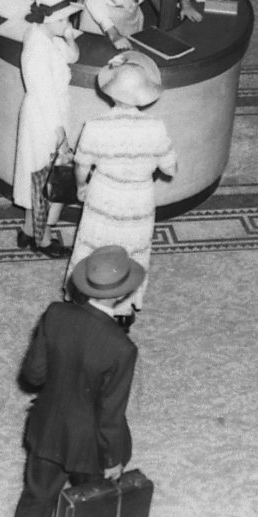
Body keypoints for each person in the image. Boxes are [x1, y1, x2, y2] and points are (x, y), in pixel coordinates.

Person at [13, 245, 144, 517]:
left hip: (47, 429)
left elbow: (33, 374)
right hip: (91, 446)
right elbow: (111, 414)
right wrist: (113, 459)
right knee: (95, 507)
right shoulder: (122, 348)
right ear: (122, 293)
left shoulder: (55, 313)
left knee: (36, 498)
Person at [63, 51, 176, 318]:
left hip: (103, 193)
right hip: (139, 198)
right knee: (133, 248)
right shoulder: (156, 127)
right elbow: (170, 169)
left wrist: (81, 187)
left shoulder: (95, 126)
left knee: (93, 245)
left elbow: (81, 166)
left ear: (111, 92)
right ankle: (125, 307)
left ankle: (84, 298)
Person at [14, 0, 82, 257]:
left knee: (35, 175)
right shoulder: (38, 50)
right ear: (51, 19)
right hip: (44, 119)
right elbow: (45, 99)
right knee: (46, 178)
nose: (69, 25)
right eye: (65, 20)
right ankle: (42, 240)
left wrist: (67, 37)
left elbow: (72, 57)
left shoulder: (43, 33)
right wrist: (62, 139)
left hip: (51, 112)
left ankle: (28, 229)